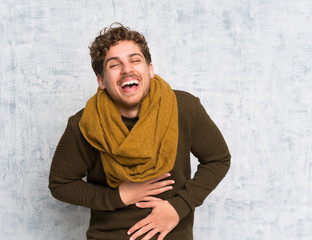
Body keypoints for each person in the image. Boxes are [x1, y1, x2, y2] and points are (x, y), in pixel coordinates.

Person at [48, 22, 231, 240]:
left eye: (135, 60)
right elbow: (61, 184)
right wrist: (117, 197)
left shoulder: (183, 108)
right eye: (114, 65)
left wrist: (178, 207)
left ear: (150, 69)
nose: (127, 69)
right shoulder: (84, 124)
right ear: (101, 81)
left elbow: (218, 159)